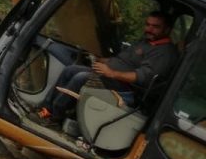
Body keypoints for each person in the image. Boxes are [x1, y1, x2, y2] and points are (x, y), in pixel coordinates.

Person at [37, 11, 179, 125]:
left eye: (155, 27)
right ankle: (45, 109)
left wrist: (111, 73)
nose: (149, 29)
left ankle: (55, 117)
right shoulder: (145, 42)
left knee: (81, 78)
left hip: (127, 90)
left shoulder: (165, 52)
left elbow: (142, 77)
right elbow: (121, 60)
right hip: (111, 78)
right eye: (148, 25)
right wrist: (99, 59)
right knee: (71, 70)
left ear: (167, 29)